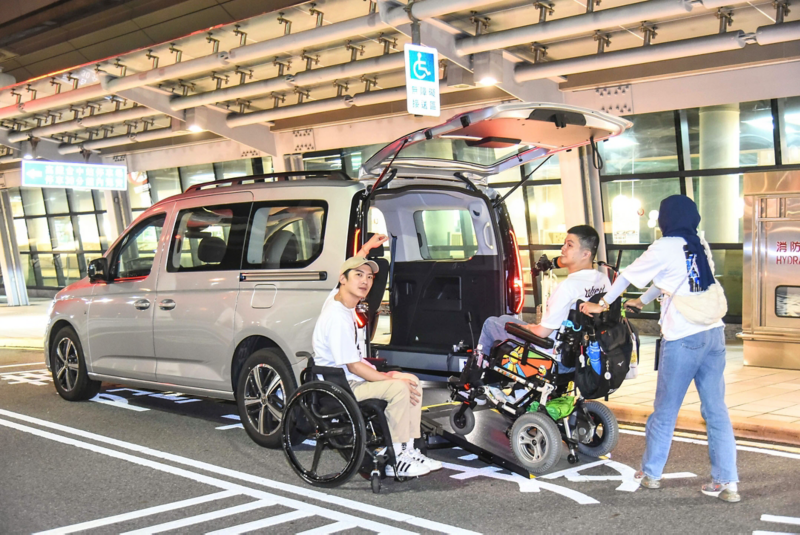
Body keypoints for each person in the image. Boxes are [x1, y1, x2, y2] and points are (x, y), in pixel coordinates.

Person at [580, 194, 739, 503]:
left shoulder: (664, 246)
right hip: (714, 336)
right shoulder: (699, 243)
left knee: (665, 411)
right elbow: (674, 278)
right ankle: (727, 481)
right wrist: (644, 300)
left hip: (684, 339)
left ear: (667, 218)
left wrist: (602, 303)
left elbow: (627, 275)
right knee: (716, 411)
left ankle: (651, 473)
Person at [312, 255, 442, 477]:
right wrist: (389, 379)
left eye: (369, 277)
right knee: (399, 387)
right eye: (358, 275)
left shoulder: (340, 301)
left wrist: (389, 374)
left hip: (353, 378)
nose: (365, 281)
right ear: (343, 279)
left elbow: (357, 362)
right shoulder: (336, 317)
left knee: (411, 380)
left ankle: (408, 449)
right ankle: (396, 459)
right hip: (340, 386)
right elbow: (353, 367)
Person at [475, 225, 610, 401]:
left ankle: (478, 381)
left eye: (569, 245)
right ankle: (513, 387)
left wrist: (529, 327)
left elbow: (541, 332)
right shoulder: (603, 280)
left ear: (585, 254)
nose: (563, 249)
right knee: (505, 319)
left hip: (553, 355)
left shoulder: (567, 287)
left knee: (492, 323)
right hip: (578, 356)